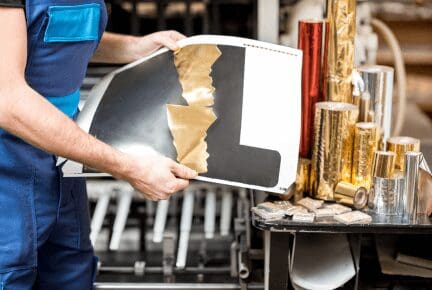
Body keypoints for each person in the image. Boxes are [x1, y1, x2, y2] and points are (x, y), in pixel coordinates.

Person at [0, 1, 196, 289]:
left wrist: (135, 47)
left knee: (71, 274)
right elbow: (8, 100)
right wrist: (128, 167)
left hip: (62, 160)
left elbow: (50, 35)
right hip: (9, 169)